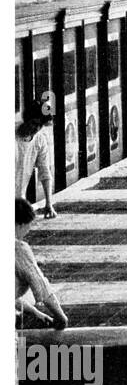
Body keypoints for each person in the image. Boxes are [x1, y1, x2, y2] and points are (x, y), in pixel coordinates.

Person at [16, 197, 68, 329]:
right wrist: (61, 317)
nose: (28, 231)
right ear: (20, 224)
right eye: (28, 225)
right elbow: (42, 287)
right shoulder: (19, 249)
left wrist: (36, 313)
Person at [15, 99, 57, 218]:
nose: (36, 128)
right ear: (26, 119)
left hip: (19, 200)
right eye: (34, 123)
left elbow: (45, 172)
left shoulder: (39, 140)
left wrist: (48, 203)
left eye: (40, 125)